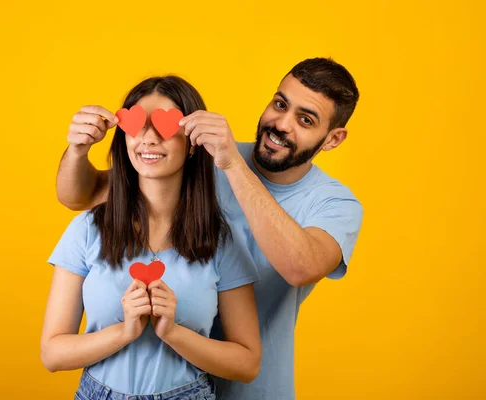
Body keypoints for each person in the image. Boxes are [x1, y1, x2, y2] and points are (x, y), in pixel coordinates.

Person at [55, 58, 364, 399]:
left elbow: (301, 267)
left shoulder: (334, 204)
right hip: (164, 377)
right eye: (280, 104)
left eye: (305, 119)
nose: (282, 124)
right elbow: (84, 195)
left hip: (252, 389)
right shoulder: (201, 160)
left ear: (333, 139)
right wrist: (77, 150)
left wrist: (231, 164)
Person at [41, 76, 262, 400]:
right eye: (136, 124)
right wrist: (125, 331)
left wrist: (172, 332)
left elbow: (247, 363)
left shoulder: (220, 240)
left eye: (164, 126)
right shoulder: (87, 229)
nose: (147, 137)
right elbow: (52, 354)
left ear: (192, 144)